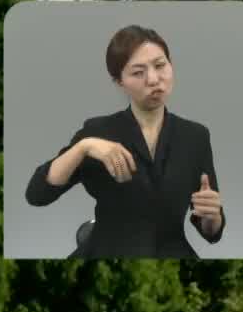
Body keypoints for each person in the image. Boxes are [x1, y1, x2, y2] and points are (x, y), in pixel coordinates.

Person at [25, 26, 226, 258]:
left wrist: (213, 217)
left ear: (171, 65)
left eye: (160, 65)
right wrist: (84, 147)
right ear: (119, 81)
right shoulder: (98, 131)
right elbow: (37, 194)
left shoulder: (196, 136)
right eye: (138, 72)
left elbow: (211, 232)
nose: (153, 79)